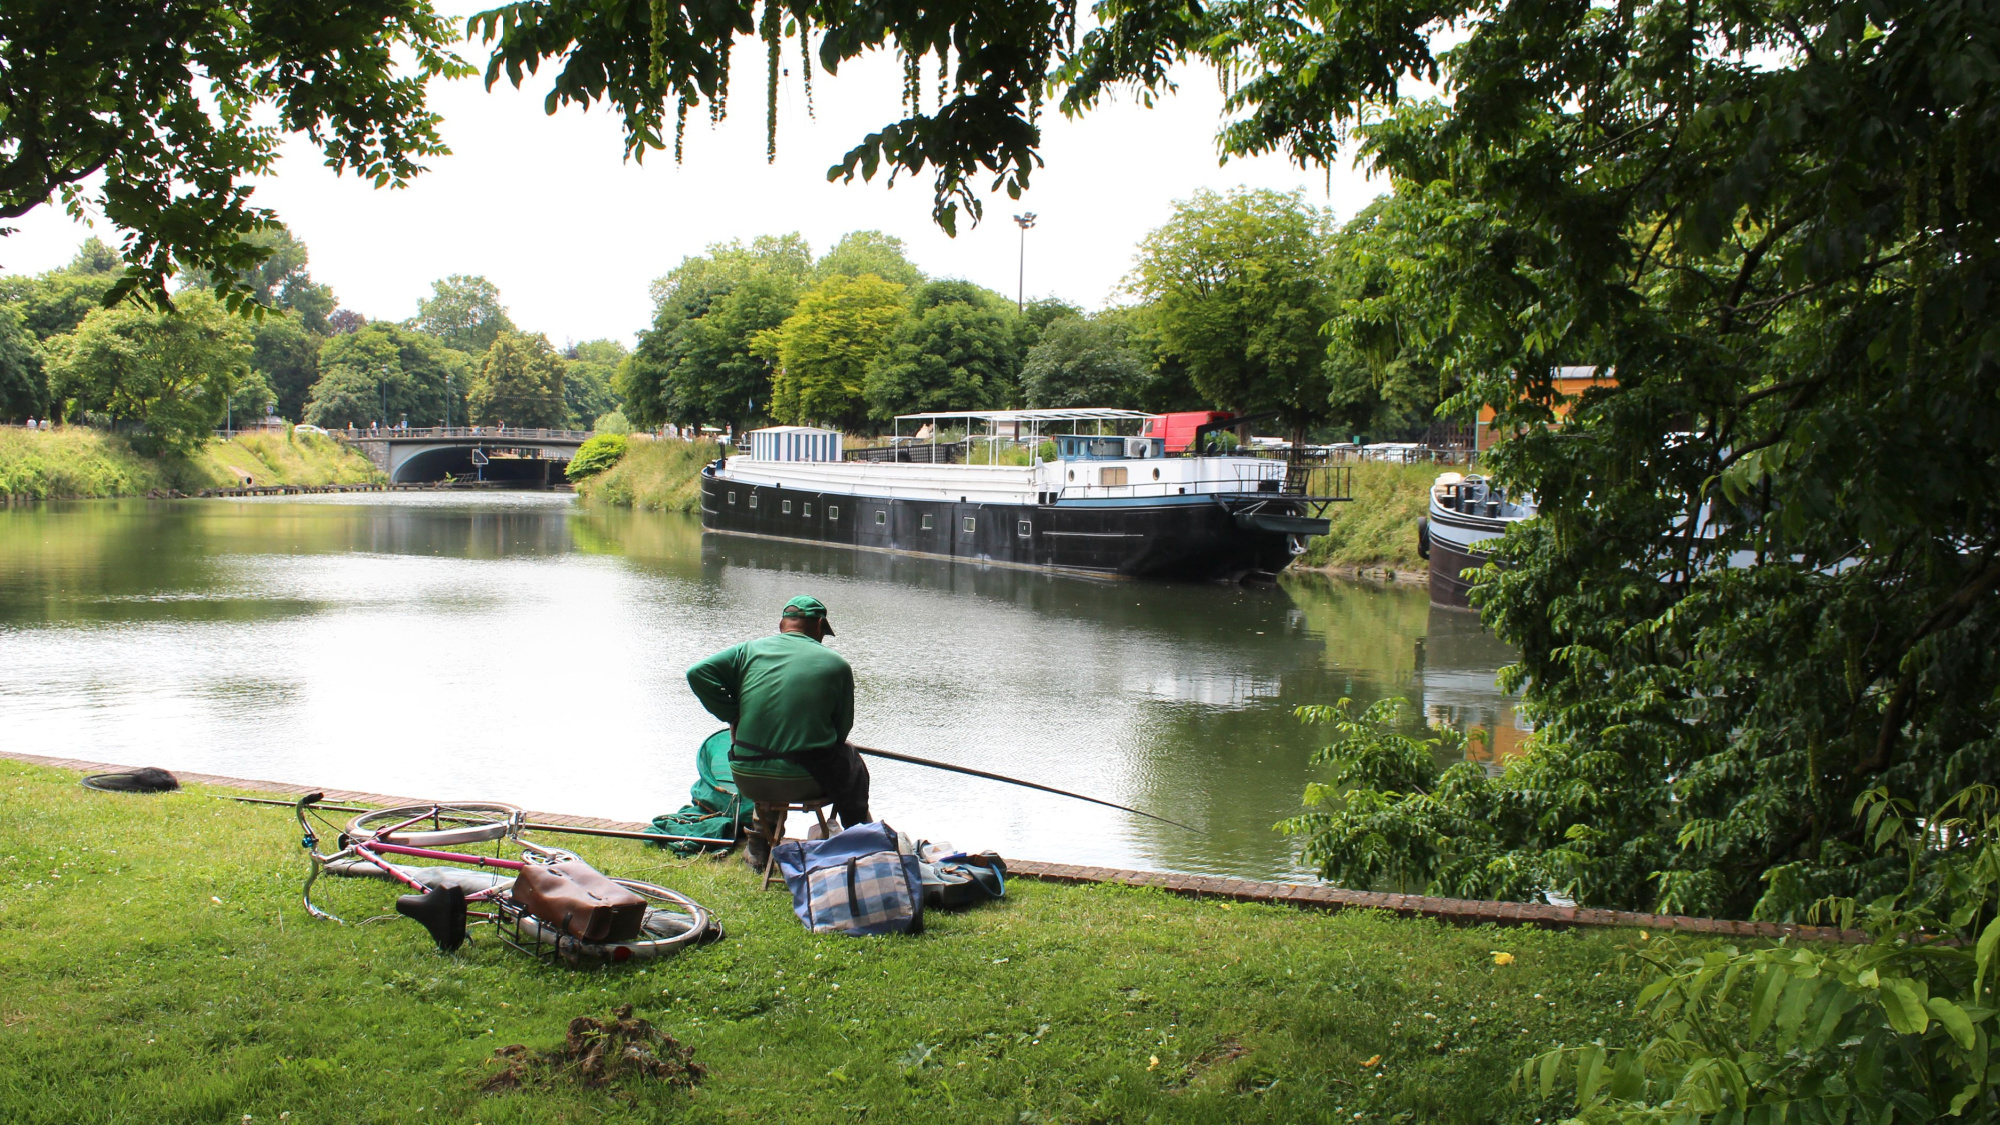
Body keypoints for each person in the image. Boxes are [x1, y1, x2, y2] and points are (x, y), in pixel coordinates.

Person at [685, 595, 871, 871]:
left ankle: (759, 847)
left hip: (747, 778)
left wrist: (731, 711)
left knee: (779, 756)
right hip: (804, 781)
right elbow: (841, 731)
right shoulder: (837, 665)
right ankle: (863, 843)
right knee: (850, 760)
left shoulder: (747, 651)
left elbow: (697, 673)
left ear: (782, 624)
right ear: (820, 625)